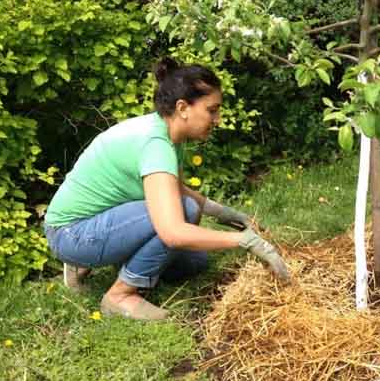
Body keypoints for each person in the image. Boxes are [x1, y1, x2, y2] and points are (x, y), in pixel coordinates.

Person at [43, 57, 289, 321]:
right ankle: (119, 295)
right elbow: (172, 231)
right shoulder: (155, 144)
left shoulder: (168, 132)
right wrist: (244, 241)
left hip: (99, 223)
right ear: (183, 107)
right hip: (71, 232)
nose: (217, 119)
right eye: (212, 110)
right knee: (180, 215)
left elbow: (177, 189)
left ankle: (104, 264)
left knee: (196, 262)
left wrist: (228, 215)